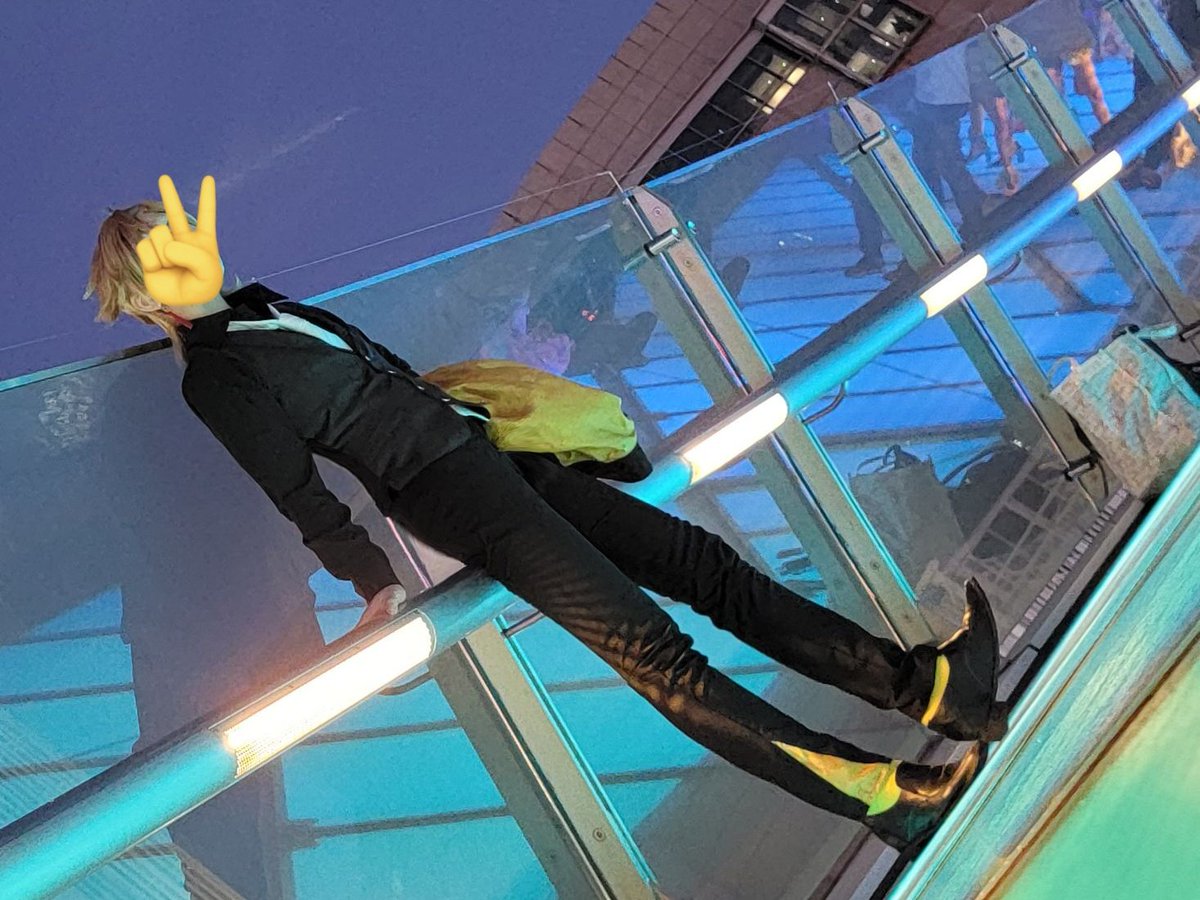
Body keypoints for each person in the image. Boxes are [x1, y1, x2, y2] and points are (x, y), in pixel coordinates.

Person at [87, 174, 1010, 853]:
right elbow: (297, 489)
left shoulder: (262, 308)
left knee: (707, 569)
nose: (182, 248)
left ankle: (930, 690)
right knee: (658, 656)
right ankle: (882, 797)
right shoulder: (215, 375)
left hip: (492, 454)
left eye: (176, 233)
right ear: (142, 298)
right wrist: (371, 580)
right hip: (454, 497)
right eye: (159, 253)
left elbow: (382, 376)